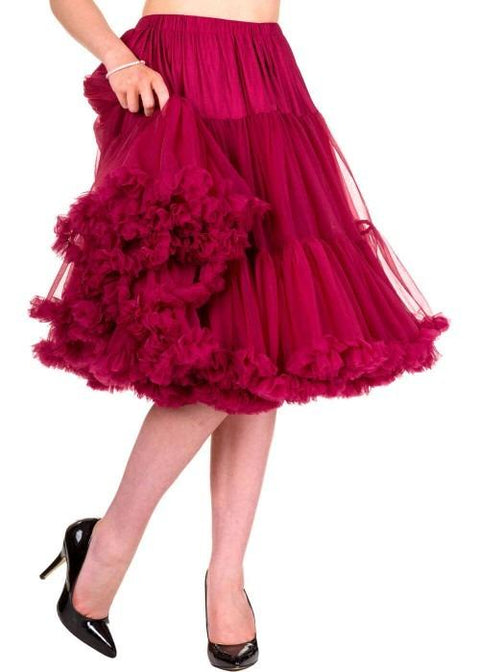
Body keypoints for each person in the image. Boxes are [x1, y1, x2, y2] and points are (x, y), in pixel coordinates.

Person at [32, 0, 450, 667]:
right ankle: (110, 545)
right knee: (226, 348)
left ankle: (224, 576)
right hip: (175, 79)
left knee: (266, 342)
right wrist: (116, 57)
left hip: (267, 78)